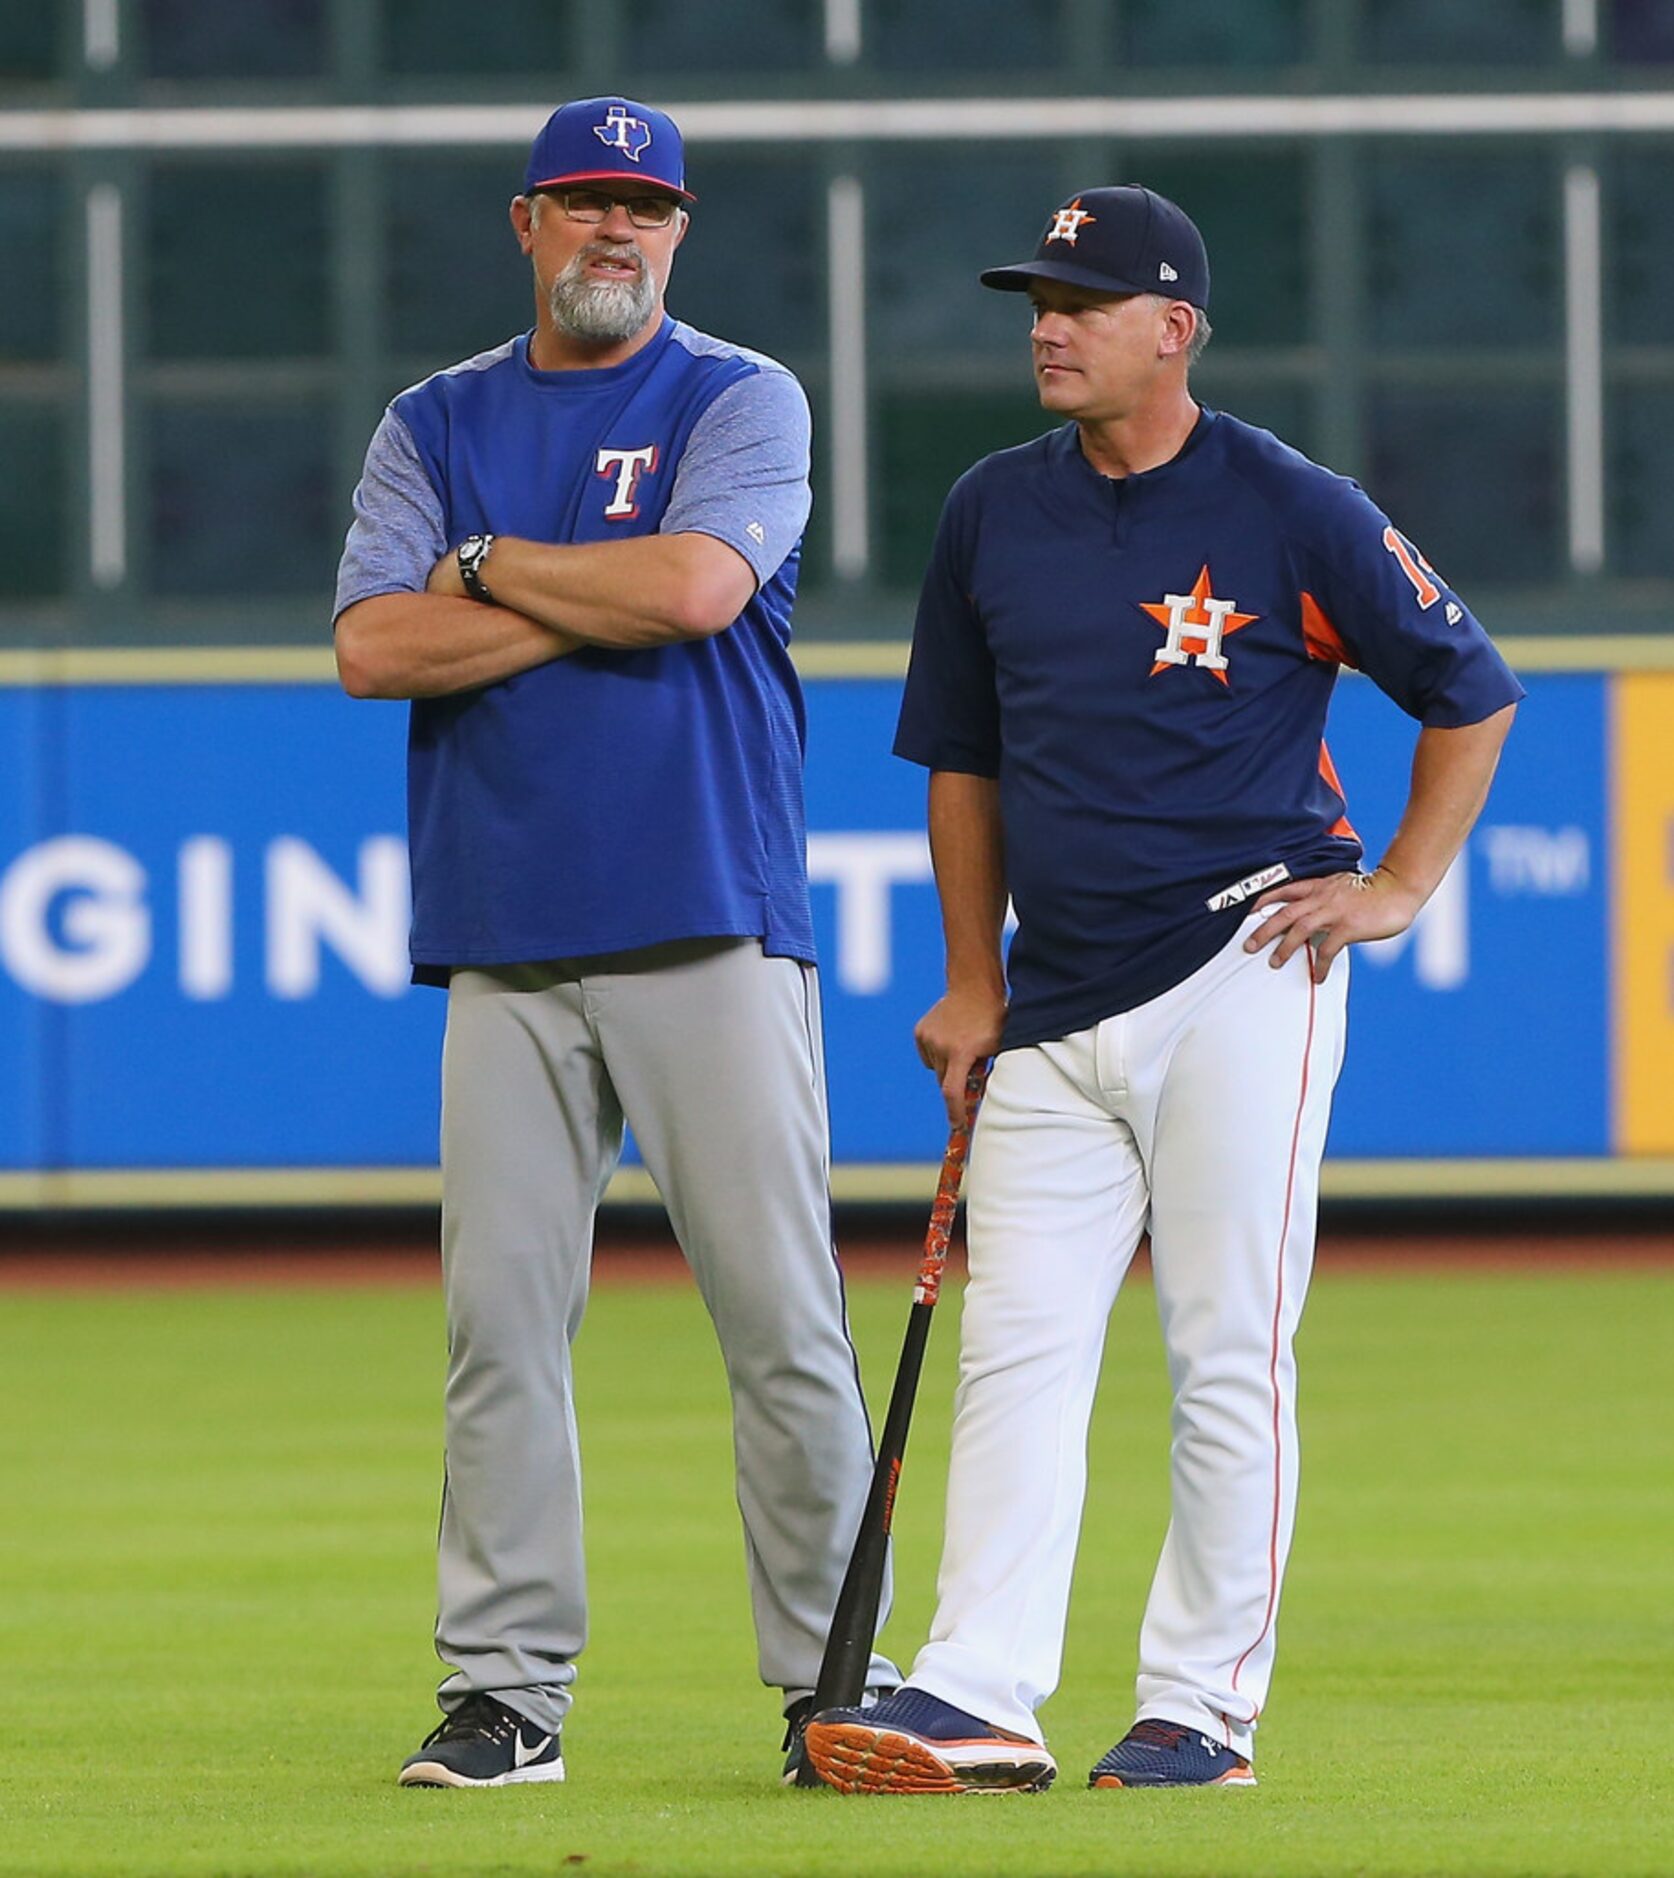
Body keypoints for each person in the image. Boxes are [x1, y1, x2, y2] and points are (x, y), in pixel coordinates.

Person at [804, 185, 1520, 1796]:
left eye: (1080, 299)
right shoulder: (991, 506)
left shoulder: (1287, 502)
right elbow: (962, 764)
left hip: (1243, 962)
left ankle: (1202, 1703)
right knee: (1019, 1351)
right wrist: (969, 980)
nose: (1046, 325)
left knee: (1223, 1348)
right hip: (1052, 1005)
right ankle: (978, 1691)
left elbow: (1469, 689)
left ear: (1172, 328)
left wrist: (1397, 885)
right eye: (1035, 300)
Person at [332, 95, 898, 1790]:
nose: (613, 231)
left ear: (679, 228)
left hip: (706, 912)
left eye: (641, 208)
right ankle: (505, 1691)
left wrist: (493, 571)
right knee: (497, 1327)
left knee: (781, 1319)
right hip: (502, 932)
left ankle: (831, 1685)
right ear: (526, 222)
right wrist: (591, 588)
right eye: (582, 202)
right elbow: (369, 645)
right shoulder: (434, 414)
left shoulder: (738, 393)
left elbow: (700, 594)